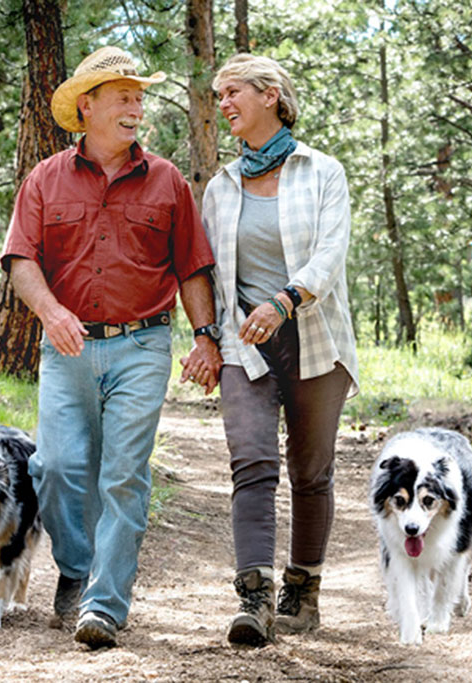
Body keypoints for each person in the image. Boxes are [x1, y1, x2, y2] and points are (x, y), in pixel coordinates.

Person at [0, 46, 222, 649]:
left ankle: (103, 602)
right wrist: (50, 311)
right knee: (57, 468)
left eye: (138, 96)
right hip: (66, 349)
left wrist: (206, 338)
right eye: (122, 95)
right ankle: (76, 568)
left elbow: (193, 266)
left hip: (141, 345)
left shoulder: (168, 181)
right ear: (87, 106)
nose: (134, 106)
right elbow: (22, 261)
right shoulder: (45, 178)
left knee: (123, 475)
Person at [202, 53, 359, 647]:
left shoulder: (321, 171)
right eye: (219, 96)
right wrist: (209, 340)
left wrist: (285, 301)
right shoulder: (220, 187)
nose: (224, 105)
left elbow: (330, 254)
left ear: (270, 95)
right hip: (246, 343)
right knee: (251, 461)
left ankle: (304, 589)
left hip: (313, 336)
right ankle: (254, 598)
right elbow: (212, 276)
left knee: (311, 471)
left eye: (233, 92)